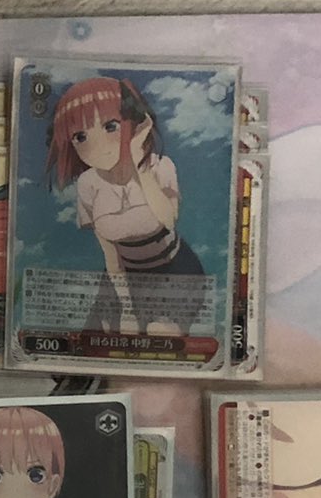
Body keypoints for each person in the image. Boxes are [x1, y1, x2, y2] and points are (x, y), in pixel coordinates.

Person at [43, 75, 203, 336]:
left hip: (173, 272)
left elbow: (168, 219)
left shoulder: (160, 166)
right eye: (80, 136)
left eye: (111, 126)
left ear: (135, 123)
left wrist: (140, 165)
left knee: (160, 334)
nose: (97, 146)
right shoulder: (88, 183)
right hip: (122, 280)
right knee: (105, 338)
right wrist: (128, 310)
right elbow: (111, 257)